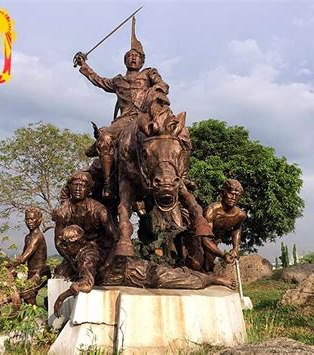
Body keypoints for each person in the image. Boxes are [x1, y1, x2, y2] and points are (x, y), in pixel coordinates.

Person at [74, 17, 169, 199]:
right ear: (125, 61)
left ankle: (180, 176)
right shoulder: (118, 81)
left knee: (174, 135)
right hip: (125, 120)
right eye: (130, 56)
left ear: (142, 61)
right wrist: (83, 65)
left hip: (147, 116)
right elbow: (98, 80)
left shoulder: (149, 73)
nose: (133, 58)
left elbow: (162, 84)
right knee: (105, 140)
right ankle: (109, 181)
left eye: (137, 56)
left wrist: (159, 90)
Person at [53, 225, 236, 316]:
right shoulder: (83, 252)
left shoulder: (87, 257)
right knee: (173, 275)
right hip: (131, 270)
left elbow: (86, 284)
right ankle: (192, 273)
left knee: (181, 281)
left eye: (65, 244)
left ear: (76, 243)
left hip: (135, 274)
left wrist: (61, 298)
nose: (63, 247)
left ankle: (213, 279)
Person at [52, 171, 118, 278]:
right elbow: (58, 242)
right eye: (75, 185)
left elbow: (115, 238)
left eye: (82, 186)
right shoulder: (63, 212)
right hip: (74, 254)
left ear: (89, 189)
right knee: (60, 275)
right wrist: (71, 260)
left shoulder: (99, 210)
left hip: (99, 250)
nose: (78, 188)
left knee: (87, 268)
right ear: (69, 187)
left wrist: (108, 263)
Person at [8, 206, 50, 305]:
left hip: (39, 273)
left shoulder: (37, 236)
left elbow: (23, 258)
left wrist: (8, 265)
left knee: (26, 292)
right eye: (27, 219)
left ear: (39, 220)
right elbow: (22, 256)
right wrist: (14, 268)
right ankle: (30, 317)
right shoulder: (28, 237)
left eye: (32, 219)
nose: (29, 222)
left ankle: (34, 317)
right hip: (31, 273)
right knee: (24, 296)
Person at [202, 179, 247, 272]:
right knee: (196, 263)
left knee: (207, 266)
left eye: (237, 195)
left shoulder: (240, 215)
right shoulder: (212, 210)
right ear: (222, 193)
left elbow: (237, 229)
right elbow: (205, 238)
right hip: (199, 238)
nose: (233, 198)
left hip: (215, 240)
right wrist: (222, 255)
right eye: (231, 193)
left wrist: (235, 248)